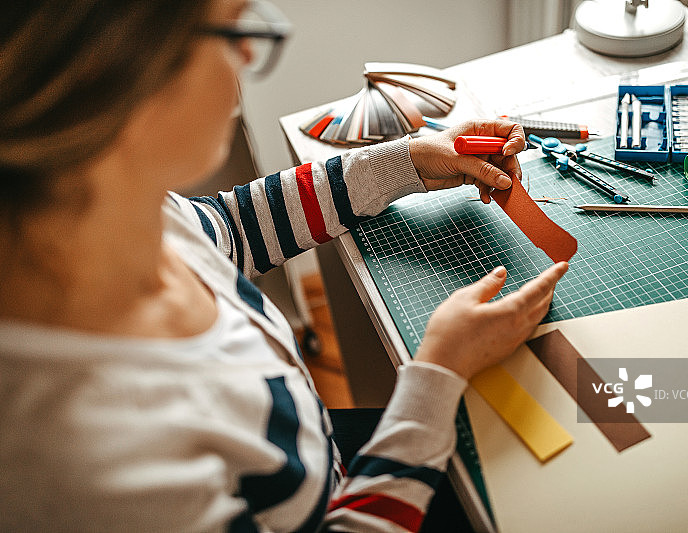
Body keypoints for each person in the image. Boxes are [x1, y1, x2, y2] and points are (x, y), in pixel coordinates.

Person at [0, 1, 568, 531]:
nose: (249, 53)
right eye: (232, 28)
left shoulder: (111, 207)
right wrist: (437, 375)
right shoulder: (97, 471)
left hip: (318, 460)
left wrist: (409, 161)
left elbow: (234, 228)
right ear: (111, 67)